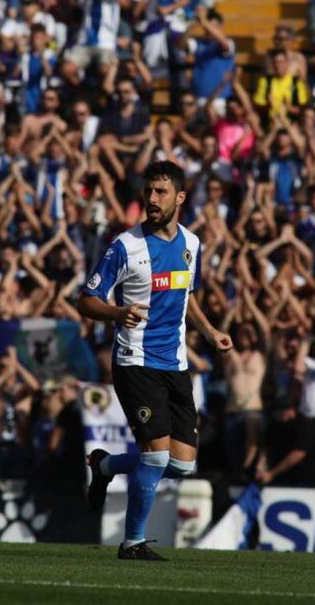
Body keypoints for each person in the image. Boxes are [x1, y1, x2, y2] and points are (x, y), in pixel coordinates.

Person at [77, 161, 233, 561]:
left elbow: (187, 296)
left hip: (175, 363)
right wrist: (116, 313)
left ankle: (107, 465)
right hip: (135, 361)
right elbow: (87, 299)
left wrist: (211, 331)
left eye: (161, 192)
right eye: (148, 191)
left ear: (180, 197)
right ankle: (132, 544)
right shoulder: (124, 245)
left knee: (182, 466)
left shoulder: (191, 244)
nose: (152, 199)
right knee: (155, 456)